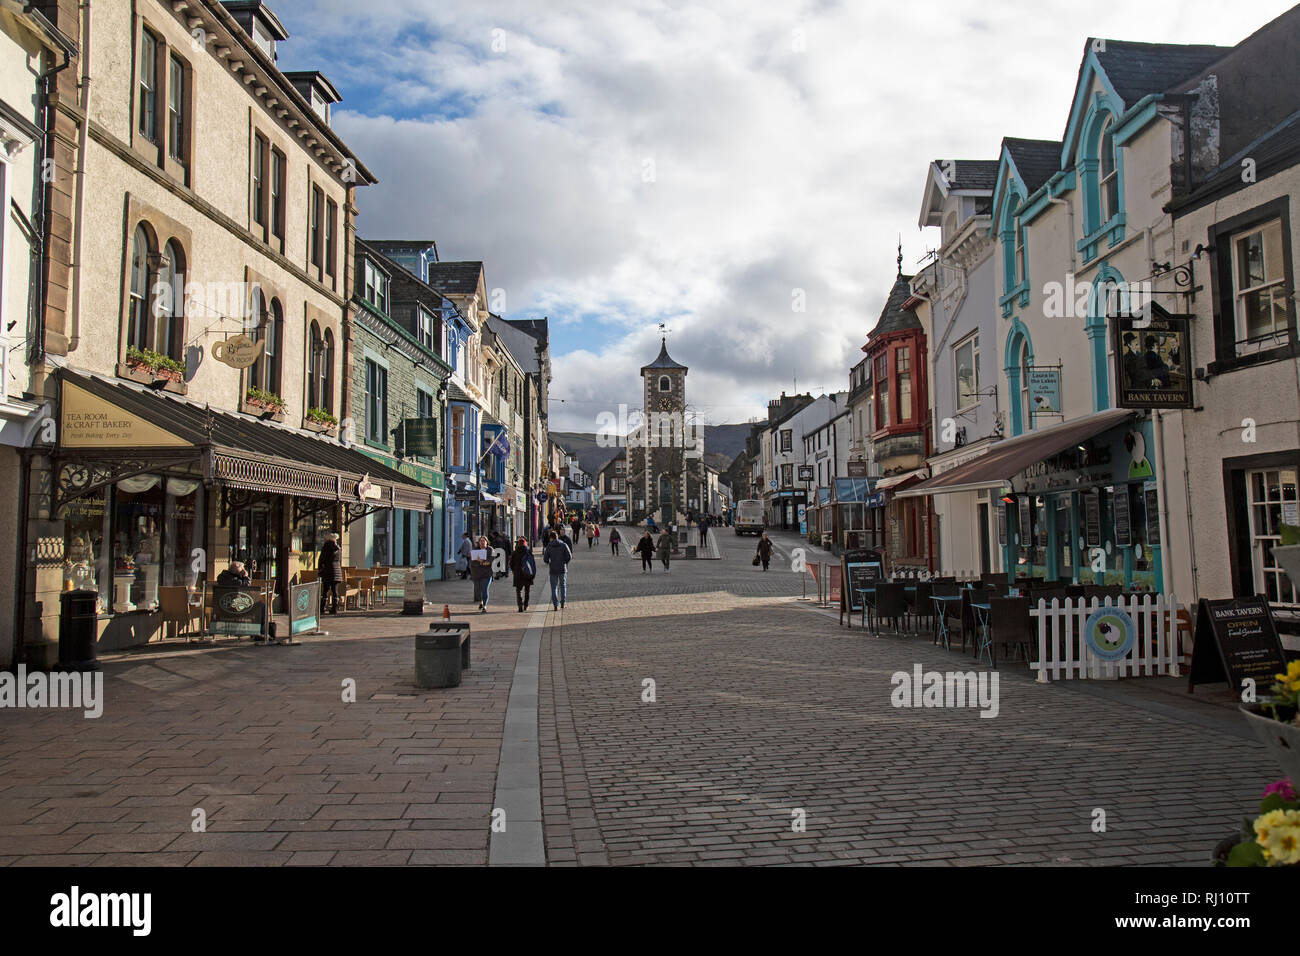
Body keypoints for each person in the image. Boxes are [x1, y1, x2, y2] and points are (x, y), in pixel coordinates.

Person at [544, 530, 572, 609]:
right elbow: (569, 556)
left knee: (554, 587)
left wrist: (549, 562)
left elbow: (545, 559)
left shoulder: (549, 546)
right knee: (563, 586)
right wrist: (564, 562)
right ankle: (563, 603)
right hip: (562, 569)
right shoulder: (563, 545)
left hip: (553, 569)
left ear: (551, 538)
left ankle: (555, 605)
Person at [317, 533, 343, 613]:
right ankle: (334, 608)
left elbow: (322, 559)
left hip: (327, 571)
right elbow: (339, 560)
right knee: (335, 591)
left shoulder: (326, 548)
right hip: (336, 571)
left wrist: (320, 569)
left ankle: (322, 608)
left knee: (325, 590)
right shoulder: (338, 548)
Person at [509, 537, 535, 612]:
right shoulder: (528, 552)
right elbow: (532, 563)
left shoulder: (515, 552)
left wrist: (514, 570)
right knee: (527, 591)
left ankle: (520, 606)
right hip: (527, 574)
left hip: (518, 574)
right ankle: (526, 605)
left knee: (518, 590)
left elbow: (511, 564)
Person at [469, 534, 494, 612]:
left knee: (484, 589)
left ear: (487, 542)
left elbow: (491, 561)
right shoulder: (475, 550)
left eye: (484, 541)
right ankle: (481, 602)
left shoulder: (490, 550)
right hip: (476, 574)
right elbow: (472, 562)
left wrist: (481, 562)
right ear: (479, 542)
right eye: (481, 541)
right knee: (478, 590)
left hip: (487, 574)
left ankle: (485, 605)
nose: (482, 542)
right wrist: (481, 563)